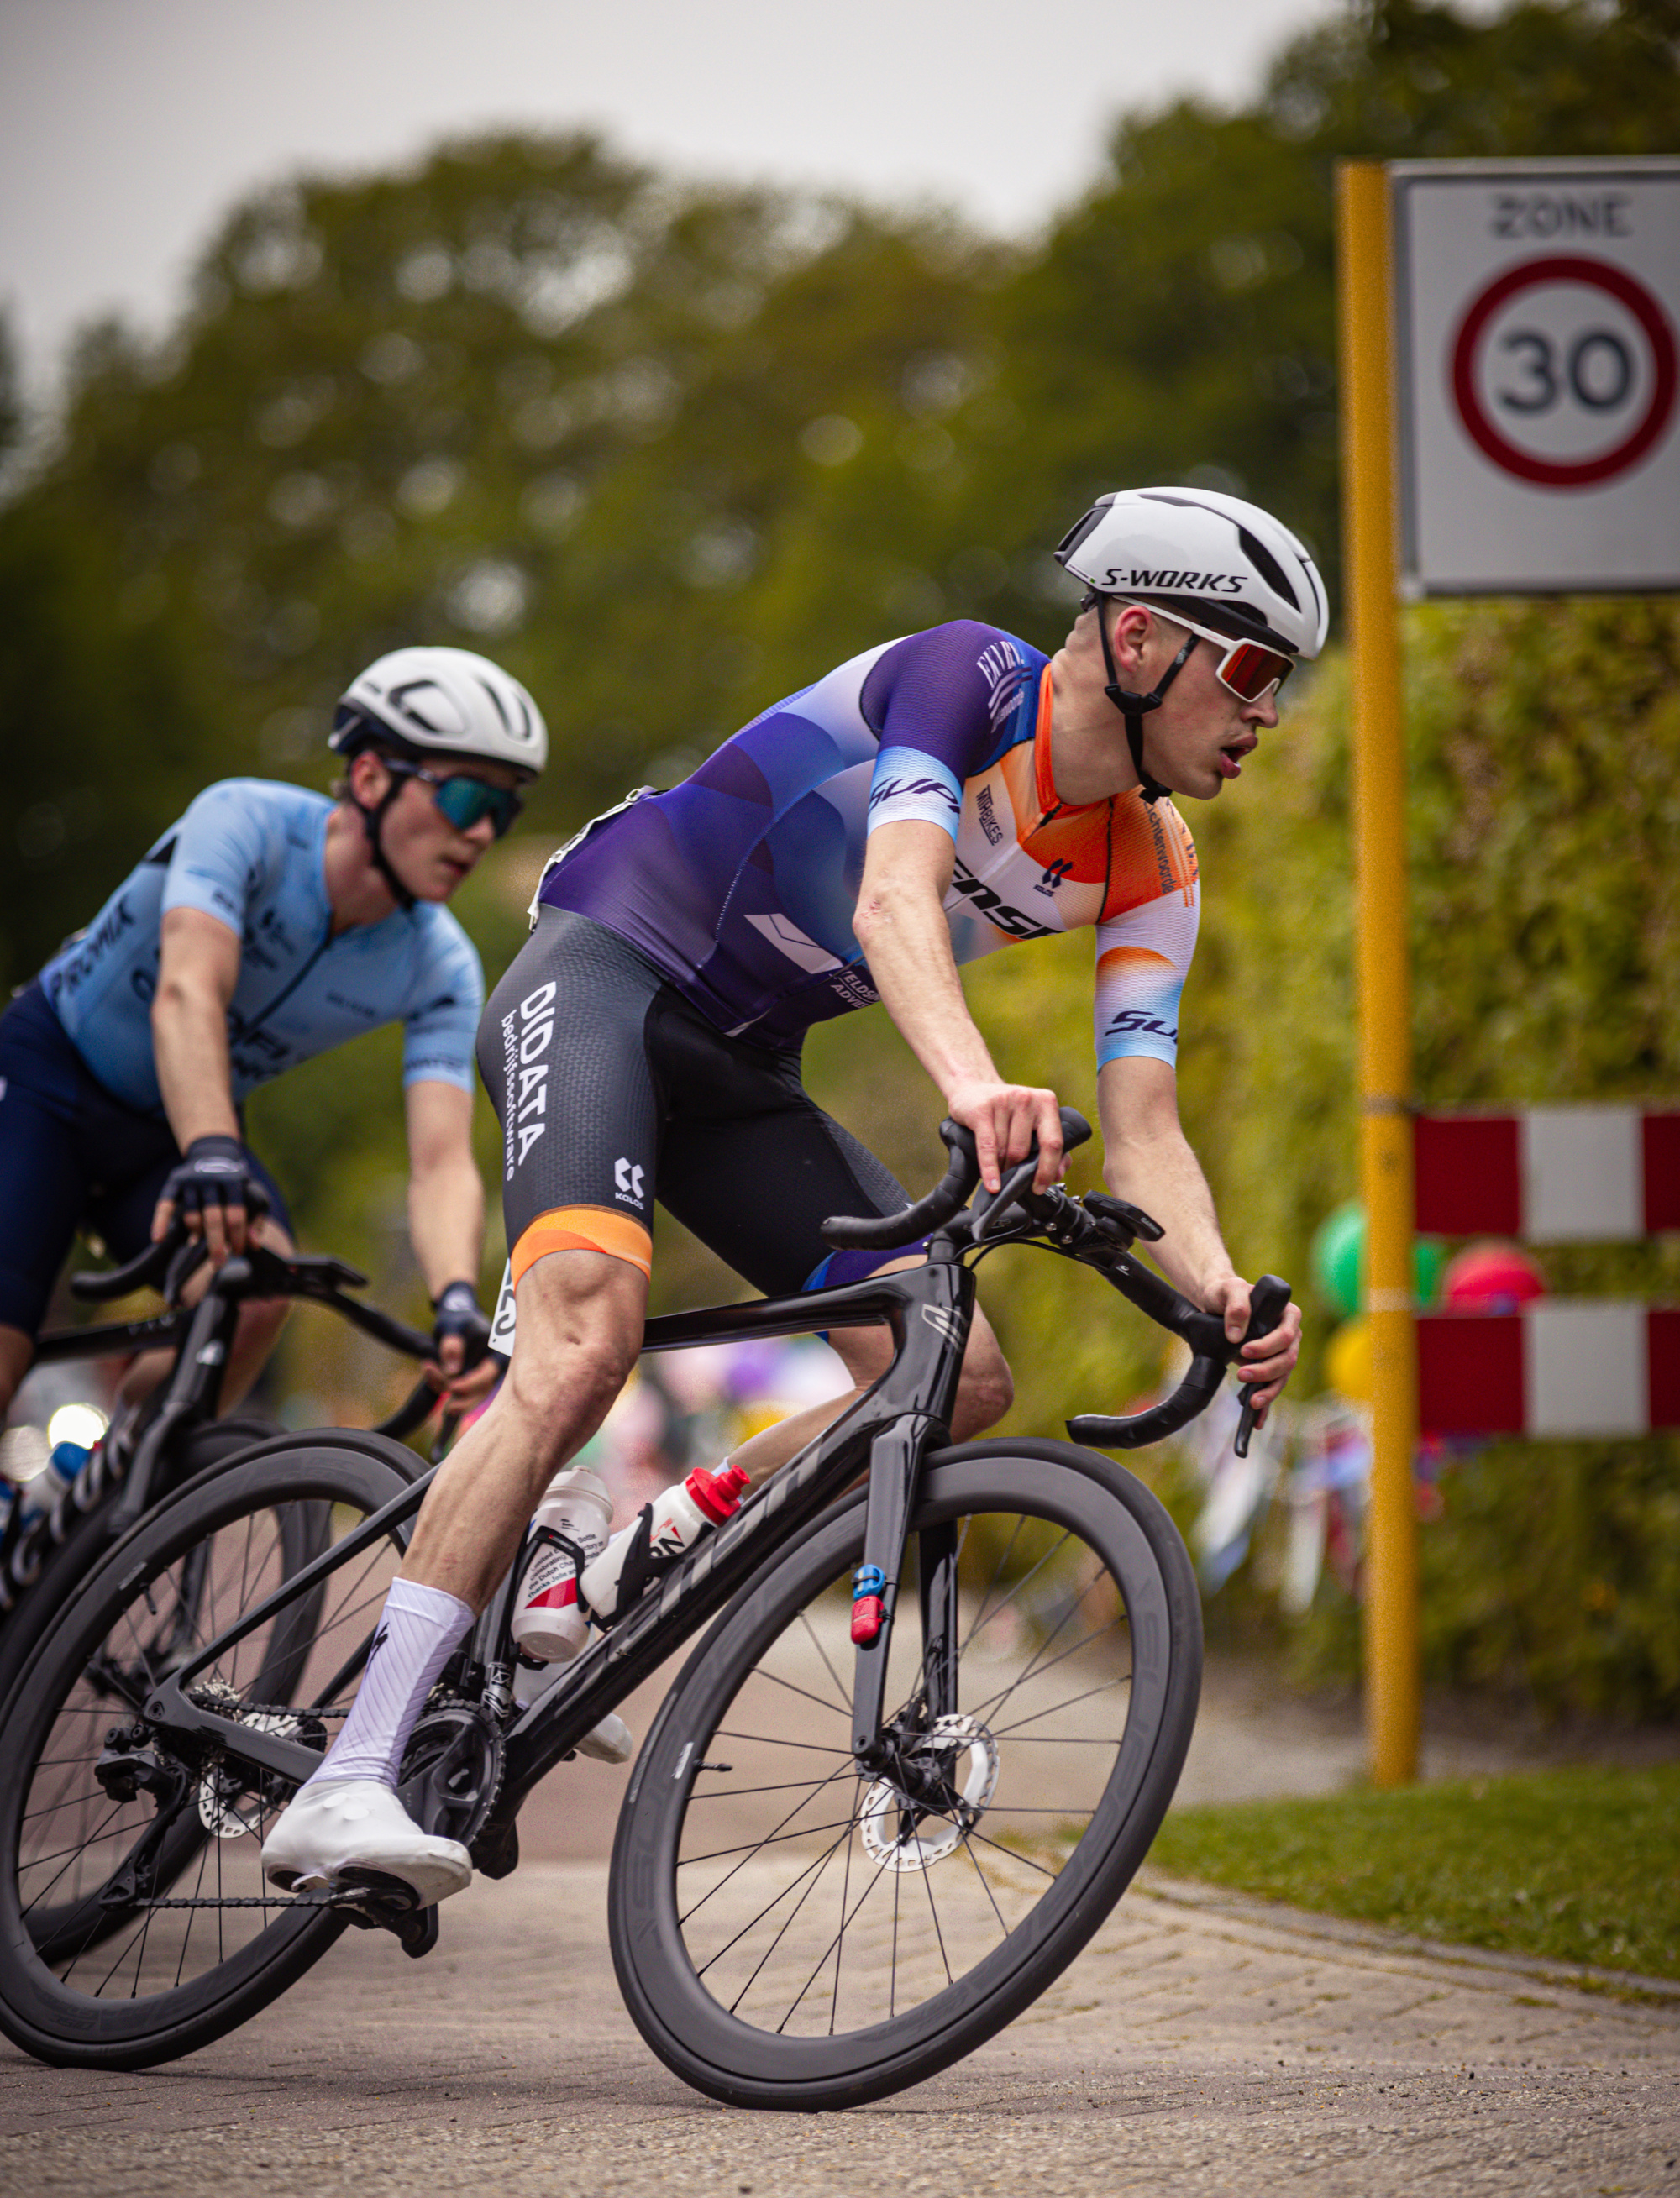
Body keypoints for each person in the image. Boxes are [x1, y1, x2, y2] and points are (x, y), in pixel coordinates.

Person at [263, 485, 1315, 1904]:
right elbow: (894, 899)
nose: (1266, 716)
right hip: (607, 975)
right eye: (1251, 669)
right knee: (585, 1339)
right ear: (1138, 638)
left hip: (740, 1063)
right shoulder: (968, 678)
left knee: (958, 1379)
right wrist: (971, 1084)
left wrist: (1220, 1282)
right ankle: (349, 1776)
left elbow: (1145, 1135)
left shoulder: (1156, 861)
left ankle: (628, 1554)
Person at [0, 645, 548, 1453]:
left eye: (501, 814)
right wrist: (216, 1148)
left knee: (260, 1295)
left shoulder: (441, 962)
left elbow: (440, 1162)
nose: (477, 832)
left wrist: (457, 1300)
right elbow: (188, 993)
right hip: (51, 1080)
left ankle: (103, 1488)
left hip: (164, 1133)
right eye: (464, 795)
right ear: (369, 778)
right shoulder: (246, 822)